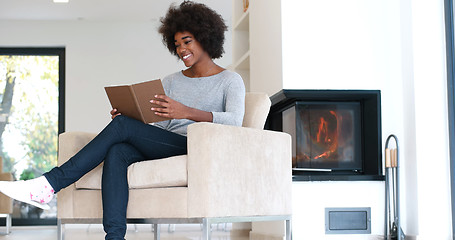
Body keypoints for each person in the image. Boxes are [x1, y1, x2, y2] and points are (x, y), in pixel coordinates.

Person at [0, 1, 245, 239]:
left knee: (121, 129)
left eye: (187, 41)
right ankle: (115, 237)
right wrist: (133, 118)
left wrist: (186, 112)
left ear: (206, 37)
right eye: (177, 44)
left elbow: (235, 122)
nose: (181, 49)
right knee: (117, 150)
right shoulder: (171, 81)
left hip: (197, 147)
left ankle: (50, 184)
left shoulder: (230, 80)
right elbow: (162, 125)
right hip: (167, 143)